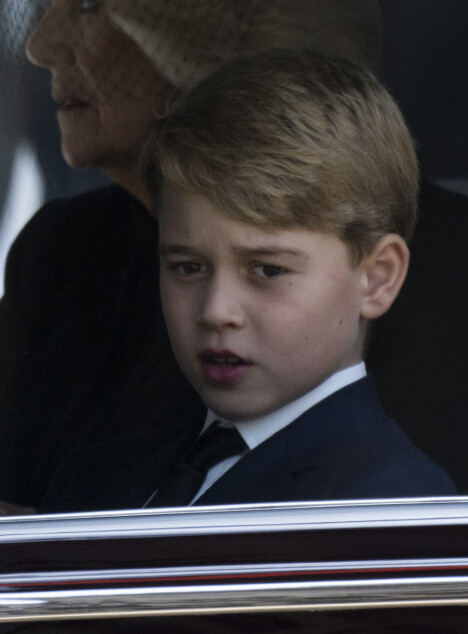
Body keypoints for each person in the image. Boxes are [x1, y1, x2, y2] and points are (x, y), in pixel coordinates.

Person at [0, 0, 385, 511]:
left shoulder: (390, 254)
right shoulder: (62, 248)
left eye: (89, 9)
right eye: (185, 267)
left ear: (211, 43)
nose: (39, 46)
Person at [40, 50, 455, 512]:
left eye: (268, 270)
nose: (216, 310)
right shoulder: (97, 477)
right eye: (188, 266)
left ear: (376, 279)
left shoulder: (391, 507)